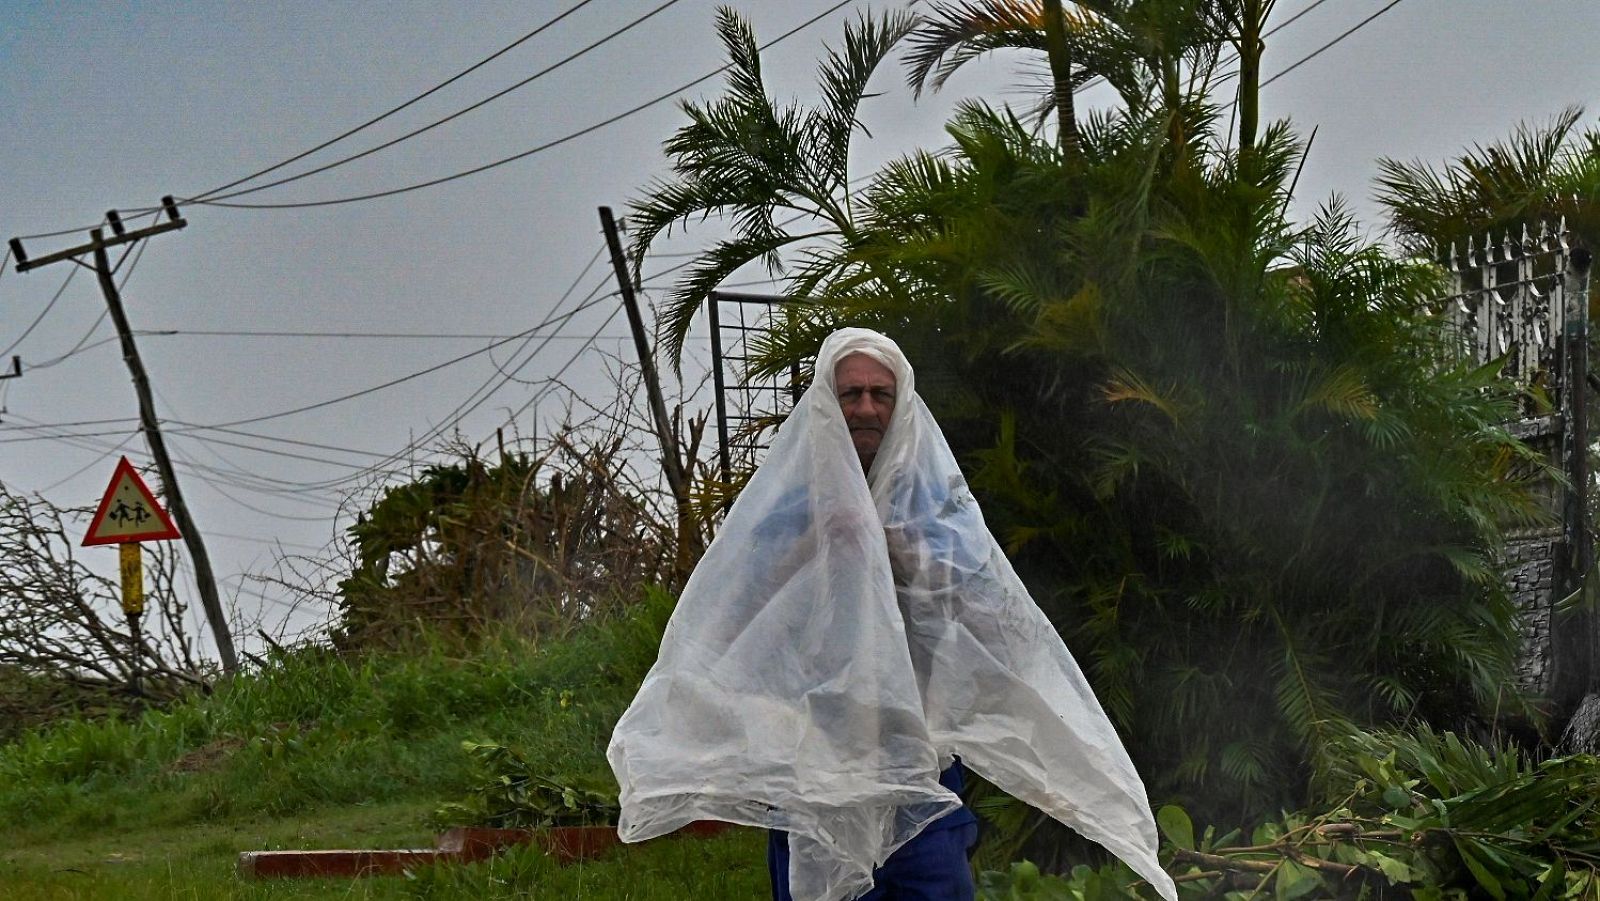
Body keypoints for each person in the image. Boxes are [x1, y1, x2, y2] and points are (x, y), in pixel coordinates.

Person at [608, 329, 1175, 901]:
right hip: (814, 767)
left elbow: (987, 619)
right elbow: (732, 625)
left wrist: (901, 553)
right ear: (827, 403)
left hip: (917, 765)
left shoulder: (934, 507)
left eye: (881, 393)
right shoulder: (784, 506)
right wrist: (822, 545)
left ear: (901, 402)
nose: (866, 408)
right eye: (851, 393)